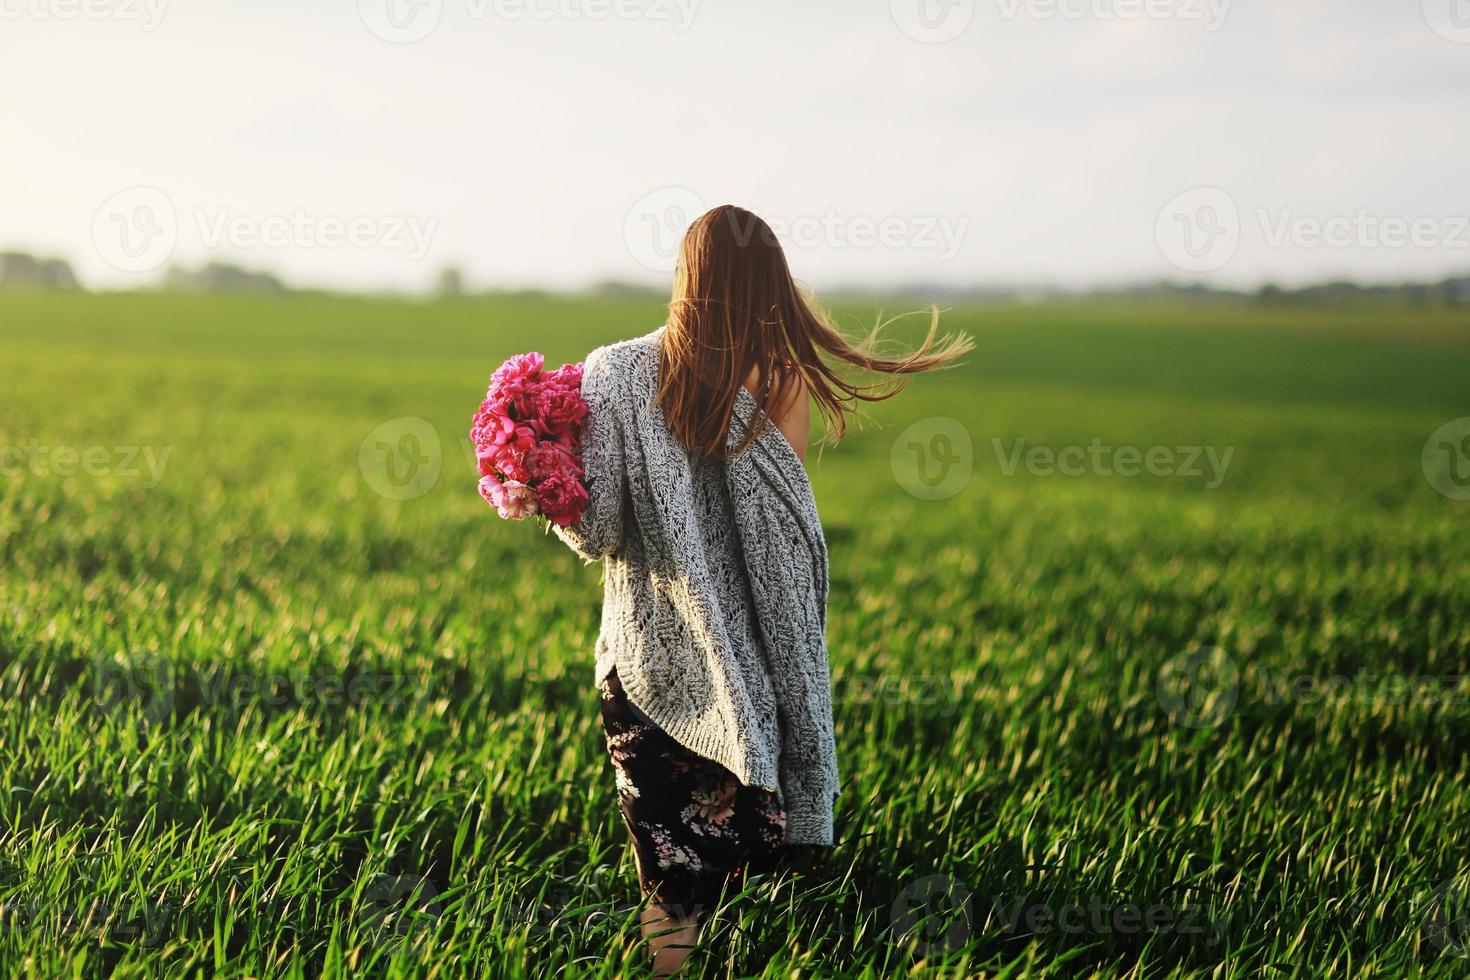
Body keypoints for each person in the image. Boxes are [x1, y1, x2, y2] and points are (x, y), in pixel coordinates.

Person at [555, 204, 971, 974]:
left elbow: (598, 533)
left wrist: (548, 487)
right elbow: (781, 547)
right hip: (746, 684)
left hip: (644, 677)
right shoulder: (780, 381)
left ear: (687, 278)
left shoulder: (611, 372)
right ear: (767, 283)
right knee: (741, 882)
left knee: (672, 888)